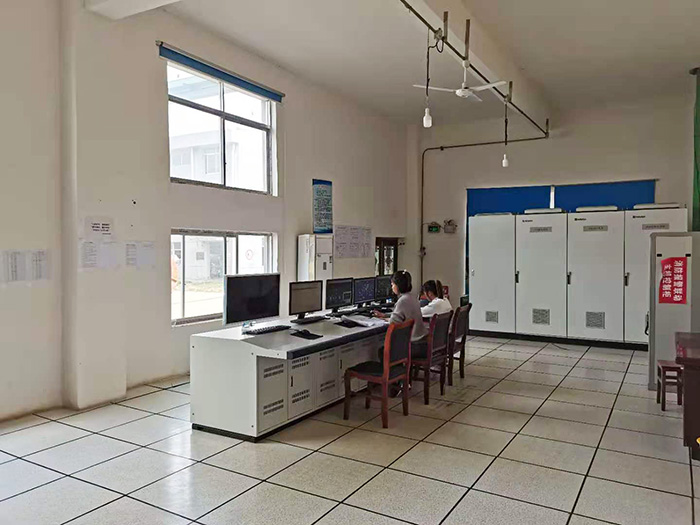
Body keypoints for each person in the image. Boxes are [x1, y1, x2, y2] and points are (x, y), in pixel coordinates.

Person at [373, 270, 427, 342]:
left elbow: (393, 323)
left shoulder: (402, 301)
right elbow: (403, 316)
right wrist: (385, 315)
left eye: (392, 284)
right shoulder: (412, 297)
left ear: (398, 286)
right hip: (420, 338)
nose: (392, 287)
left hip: (410, 342)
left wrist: (383, 319)